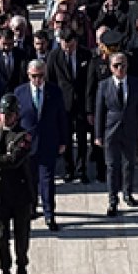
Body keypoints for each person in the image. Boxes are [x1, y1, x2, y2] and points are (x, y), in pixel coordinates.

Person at [0, 95, 35, 274]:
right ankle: (5, 269)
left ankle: (21, 266)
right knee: (1, 236)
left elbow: (13, 159)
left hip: (19, 195)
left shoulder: (23, 135)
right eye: (3, 113)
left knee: (22, 236)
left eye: (10, 114)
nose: (6, 117)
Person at [15, 59, 67, 231]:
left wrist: (63, 141)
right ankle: (31, 208)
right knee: (29, 180)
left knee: (47, 181)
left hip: (48, 142)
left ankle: (49, 214)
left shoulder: (54, 92)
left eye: (41, 76)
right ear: (29, 75)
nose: (37, 80)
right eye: (34, 76)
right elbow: (16, 120)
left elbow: (62, 118)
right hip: (28, 145)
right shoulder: (20, 92)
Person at [95, 52, 138, 216]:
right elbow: (99, 112)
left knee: (129, 164)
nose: (120, 69)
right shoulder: (104, 86)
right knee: (112, 166)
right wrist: (98, 135)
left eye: (123, 65)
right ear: (110, 68)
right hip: (111, 131)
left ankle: (127, 192)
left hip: (130, 130)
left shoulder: (136, 84)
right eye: (116, 66)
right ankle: (112, 199)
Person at [47, 28, 93, 184]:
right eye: (65, 46)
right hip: (63, 105)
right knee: (65, 139)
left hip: (80, 103)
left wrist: (88, 108)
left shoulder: (85, 54)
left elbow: (89, 82)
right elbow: (51, 81)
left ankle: (82, 170)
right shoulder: (54, 57)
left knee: (81, 139)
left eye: (71, 46)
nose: (68, 49)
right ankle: (69, 169)